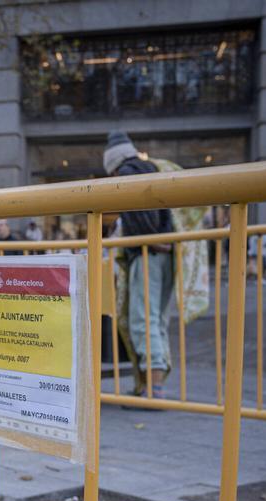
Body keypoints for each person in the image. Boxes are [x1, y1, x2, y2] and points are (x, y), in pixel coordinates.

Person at [103, 130, 175, 398]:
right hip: (164, 254)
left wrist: (151, 241)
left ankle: (153, 390)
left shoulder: (128, 174)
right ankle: (153, 385)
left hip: (147, 254)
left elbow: (139, 219)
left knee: (142, 320)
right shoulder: (153, 168)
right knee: (157, 320)